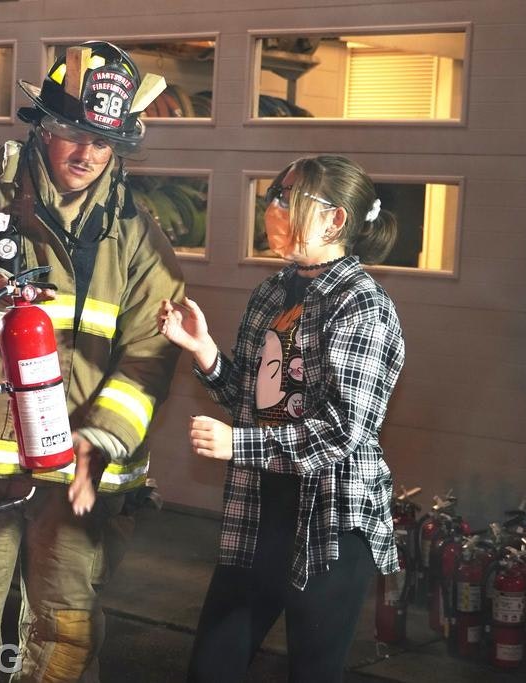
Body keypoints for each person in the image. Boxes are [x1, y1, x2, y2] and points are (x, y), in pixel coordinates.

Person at [0, 41, 184, 682]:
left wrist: (103, 434)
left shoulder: (138, 234)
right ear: (42, 130)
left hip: (79, 472)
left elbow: (151, 353)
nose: (86, 155)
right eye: (72, 135)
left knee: (66, 635)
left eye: (103, 142)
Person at [158, 155, 406, 682]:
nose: (272, 208)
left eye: (286, 198)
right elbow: (251, 403)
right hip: (261, 512)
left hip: (332, 521)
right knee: (212, 666)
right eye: (274, 195)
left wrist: (237, 445)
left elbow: (343, 431)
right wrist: (203, 352)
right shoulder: (272, 292)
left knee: (314, 673)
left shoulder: (363, 305)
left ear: (334, 220)